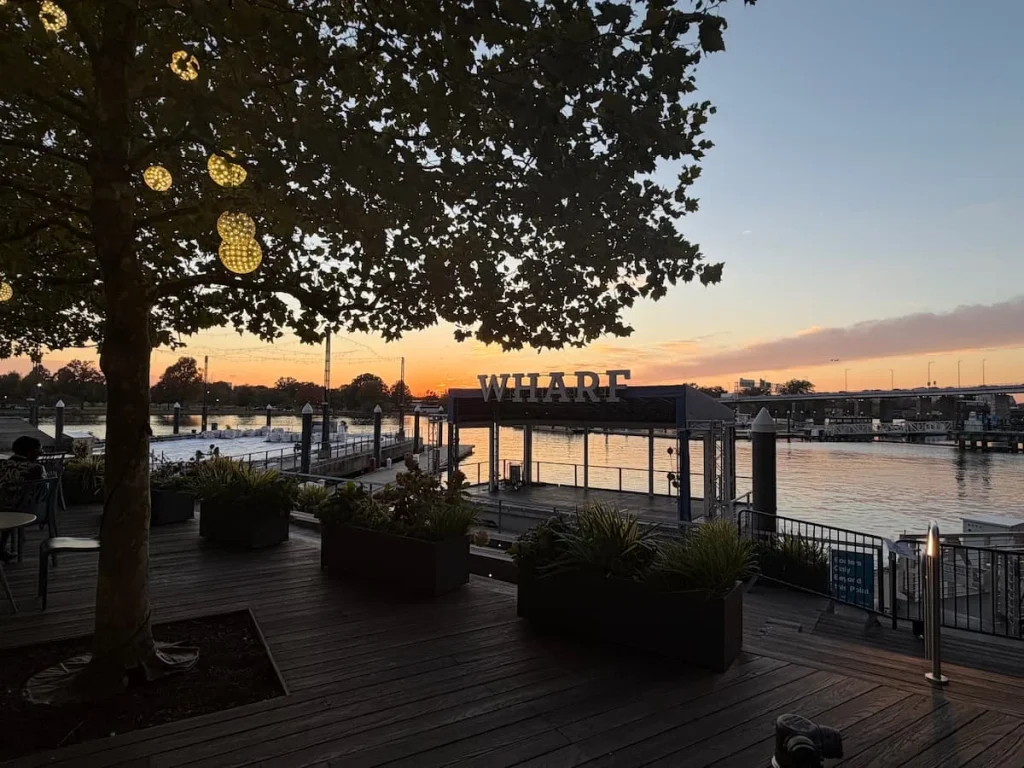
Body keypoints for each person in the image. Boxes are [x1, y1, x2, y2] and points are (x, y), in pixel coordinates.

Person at [0, 436, 47, 561]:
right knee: (15, 507)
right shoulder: (36, 469)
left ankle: (1, 546)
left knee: (7, 506)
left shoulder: (2, 464)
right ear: (30, 452)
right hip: (27, 511)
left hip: (2, 507)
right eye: (39, 450)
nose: (41, 453)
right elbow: (43, 493)